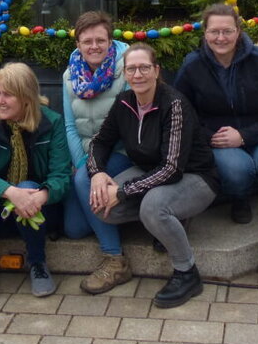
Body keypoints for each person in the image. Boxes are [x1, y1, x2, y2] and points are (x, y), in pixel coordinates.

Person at [173, 3, 258, 290]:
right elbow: (180, 112)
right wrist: (209, 136)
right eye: (214, 31)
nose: (221, 38)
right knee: (238, 171)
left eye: (227, 31)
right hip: (218, 138)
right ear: (205, 33)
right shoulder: (193, 65)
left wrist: (245, 135)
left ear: (238, 31)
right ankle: (240, 195)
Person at [88, 44, 219, 308]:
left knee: (153, 208)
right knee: (103, 206)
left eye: (144, 68)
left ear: (156, 71)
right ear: (125, 73)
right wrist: (97, 173)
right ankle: (169, 220)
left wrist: (123, 192)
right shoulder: (123, 102)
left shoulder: (174, 103)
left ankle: (187, 272)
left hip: (195, 176)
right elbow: (100, 141)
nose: (138, 75)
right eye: (131, 69)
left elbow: (171, 168)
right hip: (150, 171)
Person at [0, 62, 71, 309]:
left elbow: (61, 175)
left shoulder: (52, 123)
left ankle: (37, 263)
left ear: (26, 97)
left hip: (39, 213)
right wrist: (10, 192)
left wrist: (40, 195)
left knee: (29, 184)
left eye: (7, 95)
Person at [60, 11, 133, 295]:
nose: (94, 46)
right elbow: (70, 126)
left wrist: (92, 169)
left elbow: (127, 127)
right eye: (87, 41)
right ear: (78, 44)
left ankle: (114, 259)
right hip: (87, 156)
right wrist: (83, 162)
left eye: (100, 40)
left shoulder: (126, 69)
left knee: (84, 180)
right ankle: (114, 214)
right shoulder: (70, 76)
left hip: (121, 152)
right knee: (74, 229)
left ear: (110, 41)